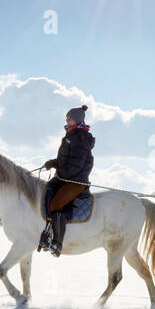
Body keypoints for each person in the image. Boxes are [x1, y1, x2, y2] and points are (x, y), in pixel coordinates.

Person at [38, 105, 94, 257]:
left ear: (76, 120)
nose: (66, 120)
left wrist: (61, 172)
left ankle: (57, 243)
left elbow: (77, 164)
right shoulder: (70, 136)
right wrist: (53, 163)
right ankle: (46, 232)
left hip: (76, 182)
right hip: (64, 177)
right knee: (44, 192)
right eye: (67, 118)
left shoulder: (81, 138)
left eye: (69, 118)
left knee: (56, 203)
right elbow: (65, 160)